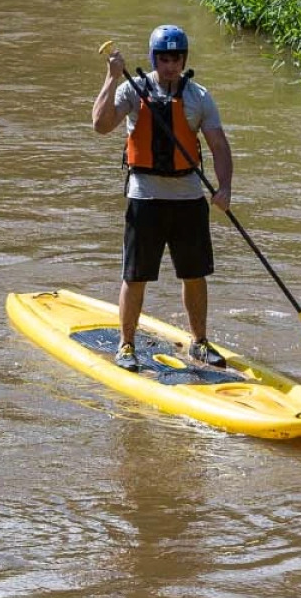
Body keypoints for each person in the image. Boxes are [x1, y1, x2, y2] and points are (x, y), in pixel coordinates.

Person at [90, 25, 235, 372]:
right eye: (164, 58)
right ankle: (126, 345)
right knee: (135, 276)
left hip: (188, 198)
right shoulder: (131, 89)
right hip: (146, 198)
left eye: (176, 58)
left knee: (194, 274)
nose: (170, 65)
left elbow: (219, 145)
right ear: (154, 58)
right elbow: (100, 124)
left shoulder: (199, 96)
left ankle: (199, 342)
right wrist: (111, 78)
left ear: (184, 60)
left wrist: (225, 186)